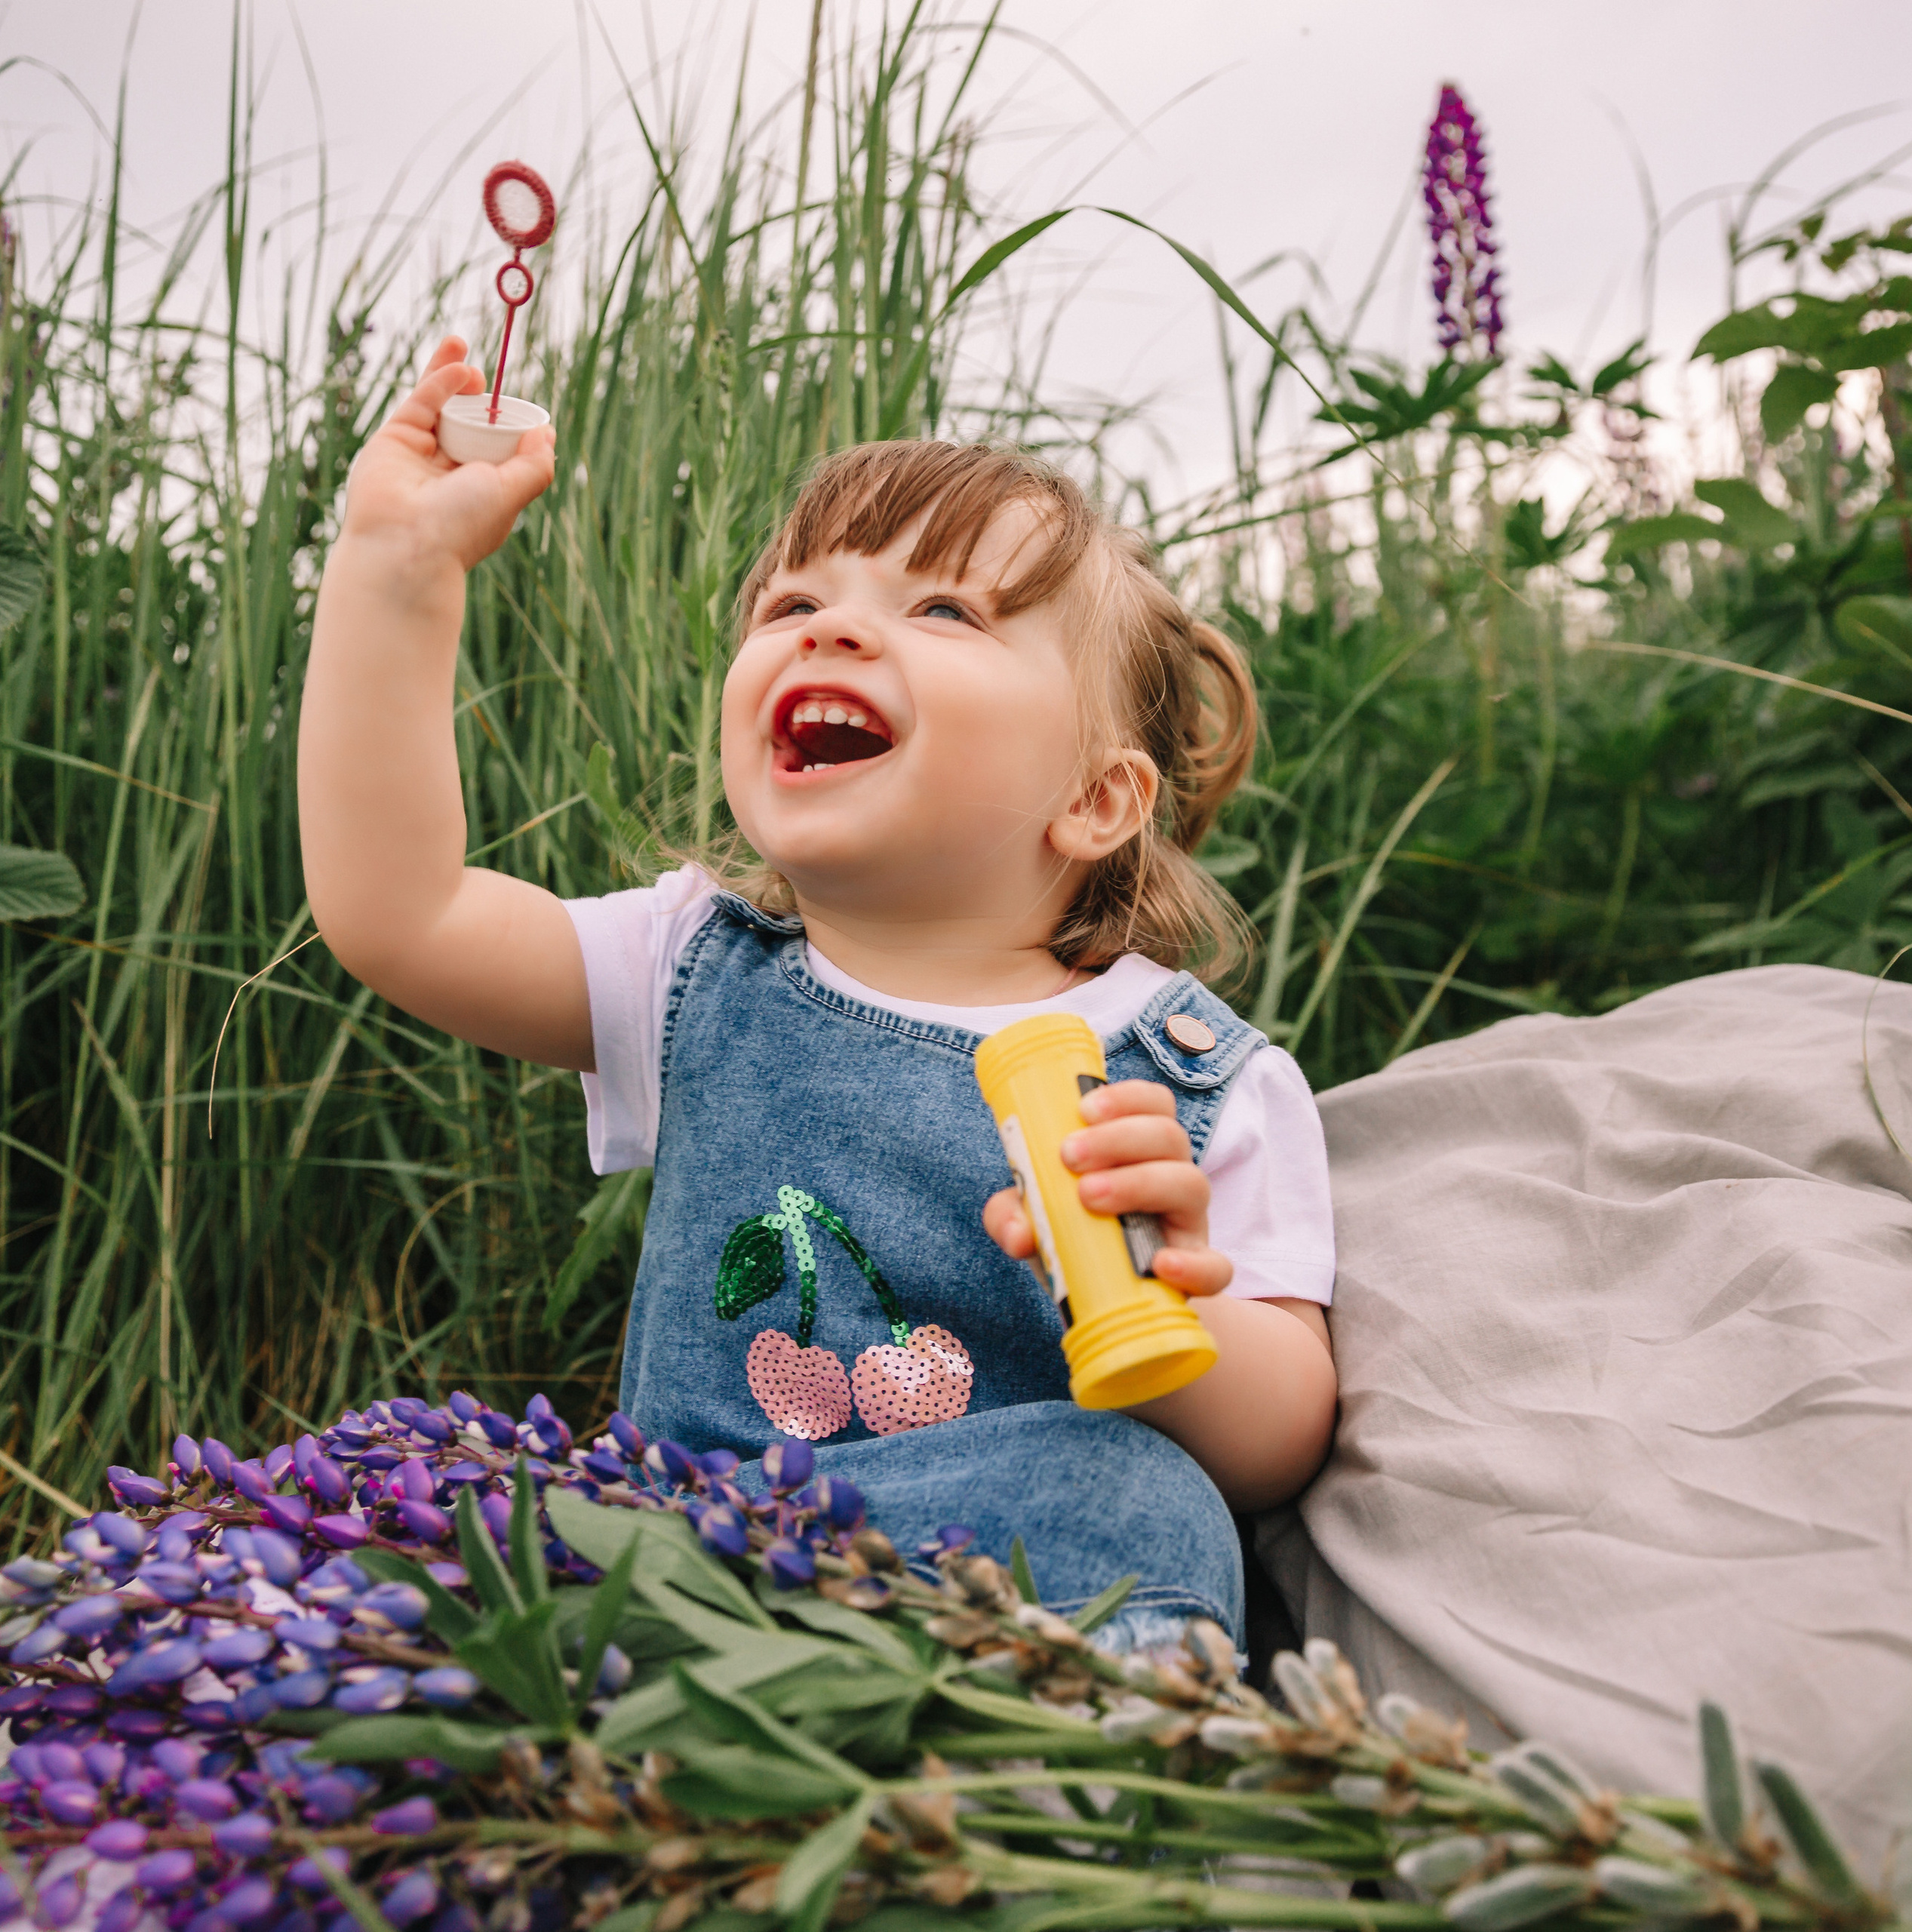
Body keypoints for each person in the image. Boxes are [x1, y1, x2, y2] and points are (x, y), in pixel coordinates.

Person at [297, 337, 1339, 1649]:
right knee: (458, 1529)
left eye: (946, 611)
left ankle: (1055, 1808)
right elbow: (402, 914)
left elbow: (1281, 1445)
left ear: (1096, 799)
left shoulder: (1197, 1078)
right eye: (791, 606)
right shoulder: (691, 972)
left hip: (995, 1606)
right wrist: (396, 571)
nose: (833, 625)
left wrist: (1173, 1308)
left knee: (1142, 1497)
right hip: (689, 1568)